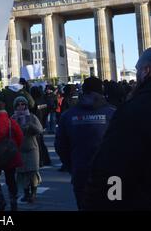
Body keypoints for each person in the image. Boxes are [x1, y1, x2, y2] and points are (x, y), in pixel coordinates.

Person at [84, 45, 151, 210]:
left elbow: (113, 170)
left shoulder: (133, 110)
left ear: (146, 71)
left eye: (137, 69)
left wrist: (110, 202)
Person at [55, 77, 116, 210]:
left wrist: (71, 166)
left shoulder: (68, 115)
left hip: (81, 172)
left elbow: (60, 146)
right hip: (112, 175)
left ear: (83, 90)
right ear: (102, 90)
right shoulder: (113, 113)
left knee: (84, 206)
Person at [12, 96, 43, 204]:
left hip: (31, 148)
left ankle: (34, 193)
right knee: (22, 173)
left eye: (23, 104)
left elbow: (39, 130)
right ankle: (26, 193)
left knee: (33, 171)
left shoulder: (32, 117)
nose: (21, 106)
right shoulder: (13, 118)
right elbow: (8, 133)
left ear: (26, 105)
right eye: (18, 104)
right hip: (19, 149)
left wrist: (30, 126)